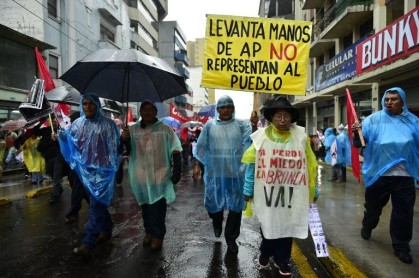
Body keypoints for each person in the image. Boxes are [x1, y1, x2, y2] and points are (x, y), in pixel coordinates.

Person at [241, 97, 318, 277]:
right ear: (272, 118)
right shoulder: (260, 137)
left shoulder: (301, 136)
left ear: (291, 118)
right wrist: (248, 188)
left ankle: (282, 260)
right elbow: (252, 165)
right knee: (269, 227)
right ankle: (265, 253)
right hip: (267, 193)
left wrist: (314, 189)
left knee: (287, 228)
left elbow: (310, 164)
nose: (282, 120)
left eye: (286, 116)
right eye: (278, 116)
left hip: (292, 193)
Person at [352, 87, 418, 264]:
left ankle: (401, 246)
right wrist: (355, 133)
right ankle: (368, 224)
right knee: (373, 208)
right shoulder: (373, 120)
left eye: (394, 99)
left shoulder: (413, 122)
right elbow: (360, 143)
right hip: (378, 175)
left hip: (405, 176)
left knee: (403, 213)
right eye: (387, 99)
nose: (389, 102)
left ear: (402, 101)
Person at [58, 93, 121, 257]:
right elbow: (72, 144)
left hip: (103, 174)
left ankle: (88, 241)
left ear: (97, 105)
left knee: (95, 206)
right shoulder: (77, 124)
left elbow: (115, 148)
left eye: (91, 104)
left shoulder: (109, 125)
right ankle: (106, 229)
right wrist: (62, 137)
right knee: (98, 204)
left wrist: (111, 167)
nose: (88, 107)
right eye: (85, 104)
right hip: (85, 173)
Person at [193, 95, 252, 254]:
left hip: (235, 175)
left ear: (233, 108)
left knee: (235, 208)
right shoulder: (209, 126)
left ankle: (231, 239)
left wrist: (244, 169)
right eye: (222, 107)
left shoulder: (242, 125)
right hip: (215, 175)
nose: (225, 109)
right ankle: (216, 222)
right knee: (214, 206)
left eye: (228, 106)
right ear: (217, 109)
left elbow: (249, 147)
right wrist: (198, 164)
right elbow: (201, 147)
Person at [121, 101, 182, 251]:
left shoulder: (165, 130)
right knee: (145, 207)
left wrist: (176, 172)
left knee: (158, 208)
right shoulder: (132, 129)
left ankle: (158, 235)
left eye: (150, 110)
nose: (147, 113)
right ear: (140, 112)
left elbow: (175, 149)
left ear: (156, 112)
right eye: (144, 110)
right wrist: (125, 139)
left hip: (160, 176)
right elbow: (125, 152)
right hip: (140, 177)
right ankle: (149, 231)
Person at [33, 117, 66, 204]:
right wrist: (40, 122)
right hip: (48, 157)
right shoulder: (46, 129)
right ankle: (59, 188)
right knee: (52, 175)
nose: (54, 123)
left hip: (57, 156)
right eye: (53, 121)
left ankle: (54, 195)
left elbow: (65, 141)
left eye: (56, 121)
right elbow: (35, 132)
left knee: (56, 176)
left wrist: (57, 138)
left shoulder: (61, 129)